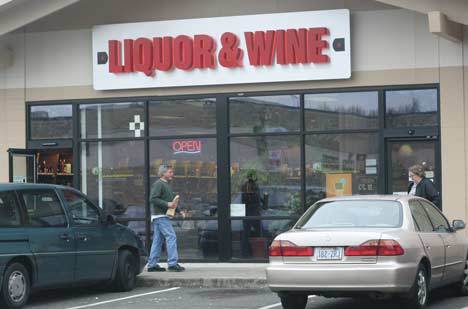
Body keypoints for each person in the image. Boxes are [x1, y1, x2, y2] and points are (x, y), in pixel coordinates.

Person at [147, 165, 185, 272]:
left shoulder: (166, 185)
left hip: (160, 216)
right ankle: (172, 264)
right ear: (163, 173)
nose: (172, 174)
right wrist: (167, 204)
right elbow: (152, 199)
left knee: (157, 240)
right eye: (170, 172)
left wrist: (179, 210)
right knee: (171, 236)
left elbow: (171, 202)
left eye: (172, 172)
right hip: (160, 216)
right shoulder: (159, 184)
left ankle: (152, 265)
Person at [240, 170, 263, 257]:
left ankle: (246, 254)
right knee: (258, 234)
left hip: (248, 213)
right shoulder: (252, 186)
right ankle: (256, 253)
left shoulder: (245, 186)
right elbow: (255, 199)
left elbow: (245, 200)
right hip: (253, 212)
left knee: (246, 234)